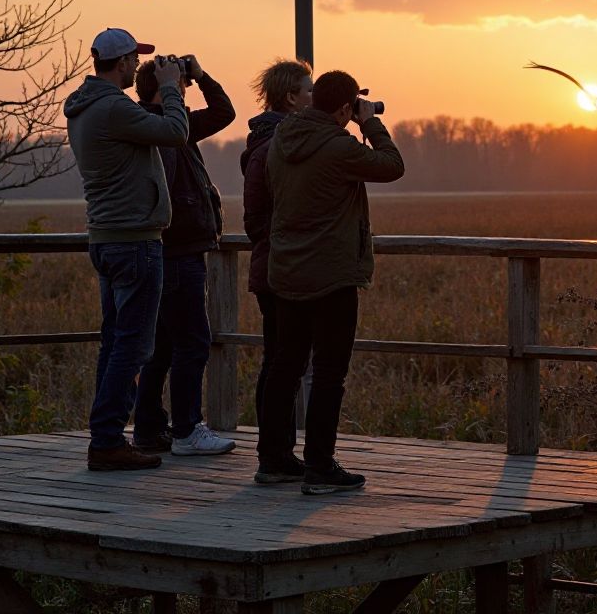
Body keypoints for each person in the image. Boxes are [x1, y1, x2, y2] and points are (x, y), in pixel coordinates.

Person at [256, 70, 404, 493]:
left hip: (287, 271)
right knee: (328, 374)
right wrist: (369, 121)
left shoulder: (281, 142)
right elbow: (393, 166)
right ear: (343, 108)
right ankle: (320, 466)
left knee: (285, 367)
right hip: (331, 274)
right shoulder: (338, 146)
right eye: (351, 107)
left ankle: (274, 460)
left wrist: (352, 116)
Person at [64, 29, 188, 471]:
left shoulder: (85, 107)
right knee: (133, 347)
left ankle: (106, 436)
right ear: (119, 64)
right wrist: (171, 87)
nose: (139, 67)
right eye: (135, 60)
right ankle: (108, 441)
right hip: (134, 240)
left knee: (115, 343)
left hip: (107, 238)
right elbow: (175, 131)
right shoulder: (114, 108)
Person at [131, 53, 237, 457]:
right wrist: (175, 85)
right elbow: (168, 194)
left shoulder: (171, 126)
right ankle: (187, 430)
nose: (186, 93)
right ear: (164, 88)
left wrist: (202, 74)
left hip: (170, 253)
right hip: (178, 252)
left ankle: (147, 429)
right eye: (180, 86)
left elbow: (224, 113)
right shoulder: (162, 131)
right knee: (193, 342)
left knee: (160, 346)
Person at [240, 58, 313, 472]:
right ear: (290, 97)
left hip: (276, 264)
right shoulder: (273, 148)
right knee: (283, 362)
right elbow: (256, 218)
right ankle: (275, 454)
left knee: (280, 360)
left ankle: (277, 452)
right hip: (280, 269)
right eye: (308, 91)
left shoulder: (271, 142)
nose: (313, 97)